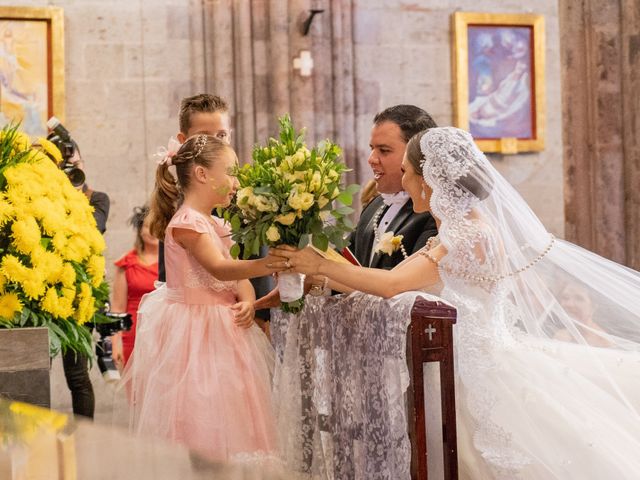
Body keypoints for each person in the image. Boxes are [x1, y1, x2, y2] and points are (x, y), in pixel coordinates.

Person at [271, 126, 640, 478]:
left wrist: (318, 263)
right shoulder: (453, 232)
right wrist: (316, 274)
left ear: (430, 180)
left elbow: (391, 285)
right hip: (449, 366)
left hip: (475, 374)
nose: (404, 181)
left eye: (407, 172)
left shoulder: (470, 233)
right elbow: (383, 282)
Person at [122, 134, 285, 461]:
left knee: (236, 412)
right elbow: (220, 267)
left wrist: (248, 301)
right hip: (196, 334)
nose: (236, 181)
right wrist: (273, 262)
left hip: (227, 330)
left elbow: (236, 279)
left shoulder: (217, 223)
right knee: (201, 412)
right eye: (231, 171)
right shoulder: (186, 224)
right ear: (202, 174)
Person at [157, 93, 273, 326]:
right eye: (205, 136)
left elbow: (250, 267)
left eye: (221, 135)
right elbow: (171, 275)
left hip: (244, 315)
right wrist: (275, 263)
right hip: (195, 320)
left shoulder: (246, 196)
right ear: (184, 139)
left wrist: (255, 307)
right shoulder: (178, 208)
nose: (216, 143)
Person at [349, 105, 438, 269]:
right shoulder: (374, 206)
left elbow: (405, 282)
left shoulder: (435, 213)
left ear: (416, 154)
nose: (371, 159)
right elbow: (346, 262)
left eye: (384, 150)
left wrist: (322, 268)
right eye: (372, 148)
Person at [63, 141, 110, 419]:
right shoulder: (43, 198)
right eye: (65, 166)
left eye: (75, 165)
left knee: (78, 375)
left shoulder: (97, 198)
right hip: (47, 286)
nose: (70, 171)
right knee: (34, 368)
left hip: (80, 292)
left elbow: (96, 228)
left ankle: (85, 438)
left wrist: (75, 190)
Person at [110, 205, 159, 367]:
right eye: (146, 226)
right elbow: (117, 308)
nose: (151, 231)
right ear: (140, 229)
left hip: (164, 332)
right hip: (133, 335)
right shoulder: (127, 262)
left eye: (156, 225)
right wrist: (115, 343)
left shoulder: (172, 262)